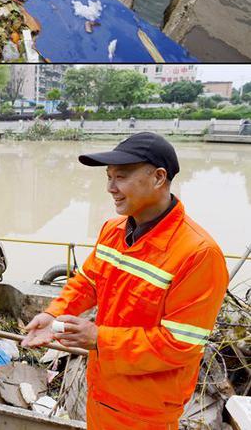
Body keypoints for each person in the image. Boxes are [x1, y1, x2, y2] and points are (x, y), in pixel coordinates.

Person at [22, 132, 228, 430]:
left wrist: (98, 339)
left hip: (146, 408)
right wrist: (52, 314)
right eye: (108, 177)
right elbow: (88, 282)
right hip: (102, 387)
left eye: (120, 177)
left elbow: (178, 345)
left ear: (159, 177)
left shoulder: (198, 254)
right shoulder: (113, 229)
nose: (110, 188)